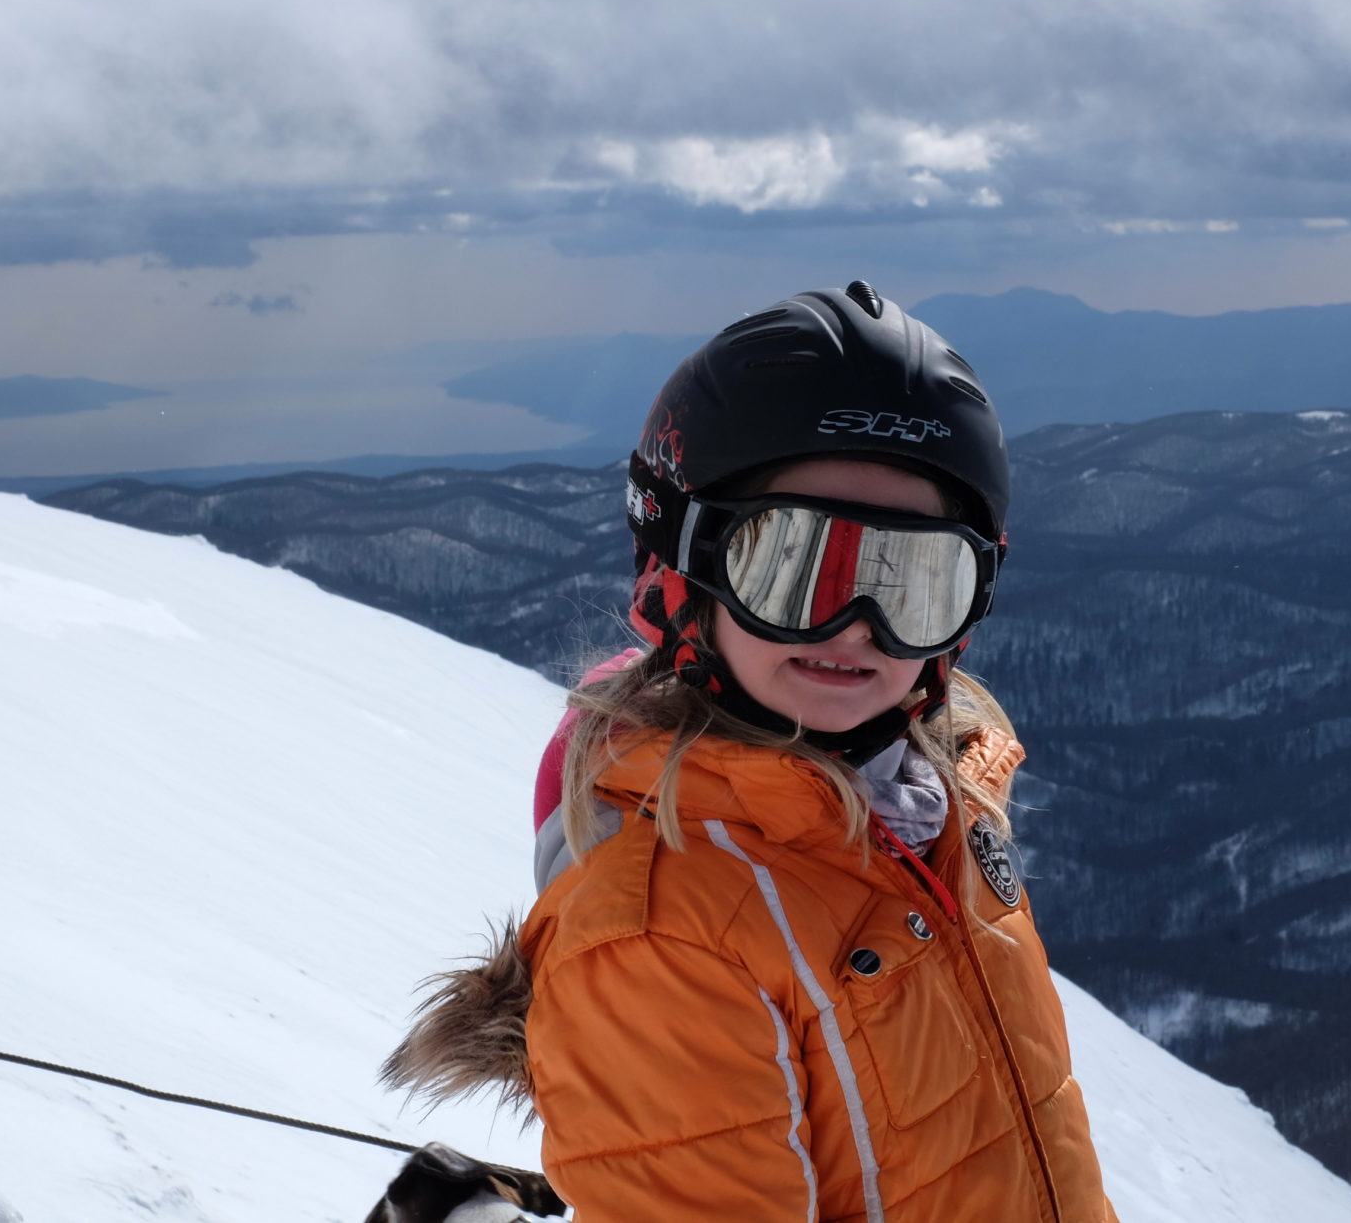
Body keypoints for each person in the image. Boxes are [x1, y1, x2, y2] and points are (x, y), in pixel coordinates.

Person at [385, 282, 1116, 1222]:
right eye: (791, 566)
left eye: (915, 580)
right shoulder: (662, 934)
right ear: (680, 572)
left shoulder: (932, 808)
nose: (856, 626)